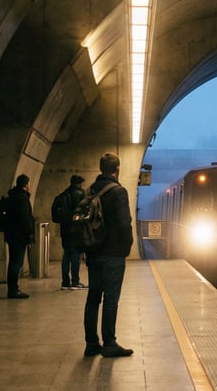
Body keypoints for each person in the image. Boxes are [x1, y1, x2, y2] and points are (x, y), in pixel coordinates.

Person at [83, 152, 134, 358]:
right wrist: (126, 247)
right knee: (111, 299)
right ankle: (110, 343)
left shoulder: (90, 189)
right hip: (112, 254)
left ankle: (91, 343)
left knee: (93, 297)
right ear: (117, 169)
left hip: (93, 252)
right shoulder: (118, 192)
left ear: (101, 167)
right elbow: (124, 224)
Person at [4, 174, 35, 298]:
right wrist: (29, 233)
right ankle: (13, 289)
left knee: (13, 261)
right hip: (19, 236)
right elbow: (24, 218)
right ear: (26, 184)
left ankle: (12, 288)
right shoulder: (21, 198)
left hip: (12, 234)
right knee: (16, 262)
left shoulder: (12, 196)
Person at [57, 174, 87, 290]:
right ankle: (75, 282)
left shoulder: (64, 194)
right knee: (76, 255)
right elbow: (82, 213)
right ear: (79, 184)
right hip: (75, 230)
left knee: (66, 255)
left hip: (64, 229)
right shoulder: (80, 195)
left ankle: (65, 282)